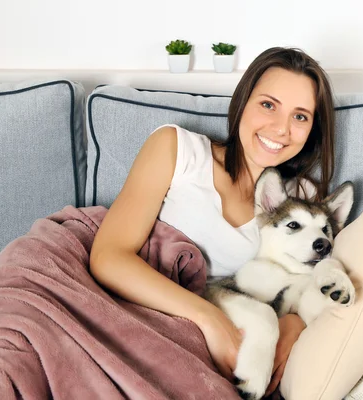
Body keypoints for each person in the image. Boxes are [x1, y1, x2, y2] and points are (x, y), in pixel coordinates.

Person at [89, 46, 336, 396]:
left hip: (207, 340)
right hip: (131, 301)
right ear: (242, 103)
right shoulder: (177, 149)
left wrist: (295, 323)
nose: (281, 129)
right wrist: (208, 317)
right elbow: (108, 257)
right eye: (268, 105)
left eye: (300, 117)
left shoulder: (303, 202)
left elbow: (315, 280)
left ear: (313, 129)